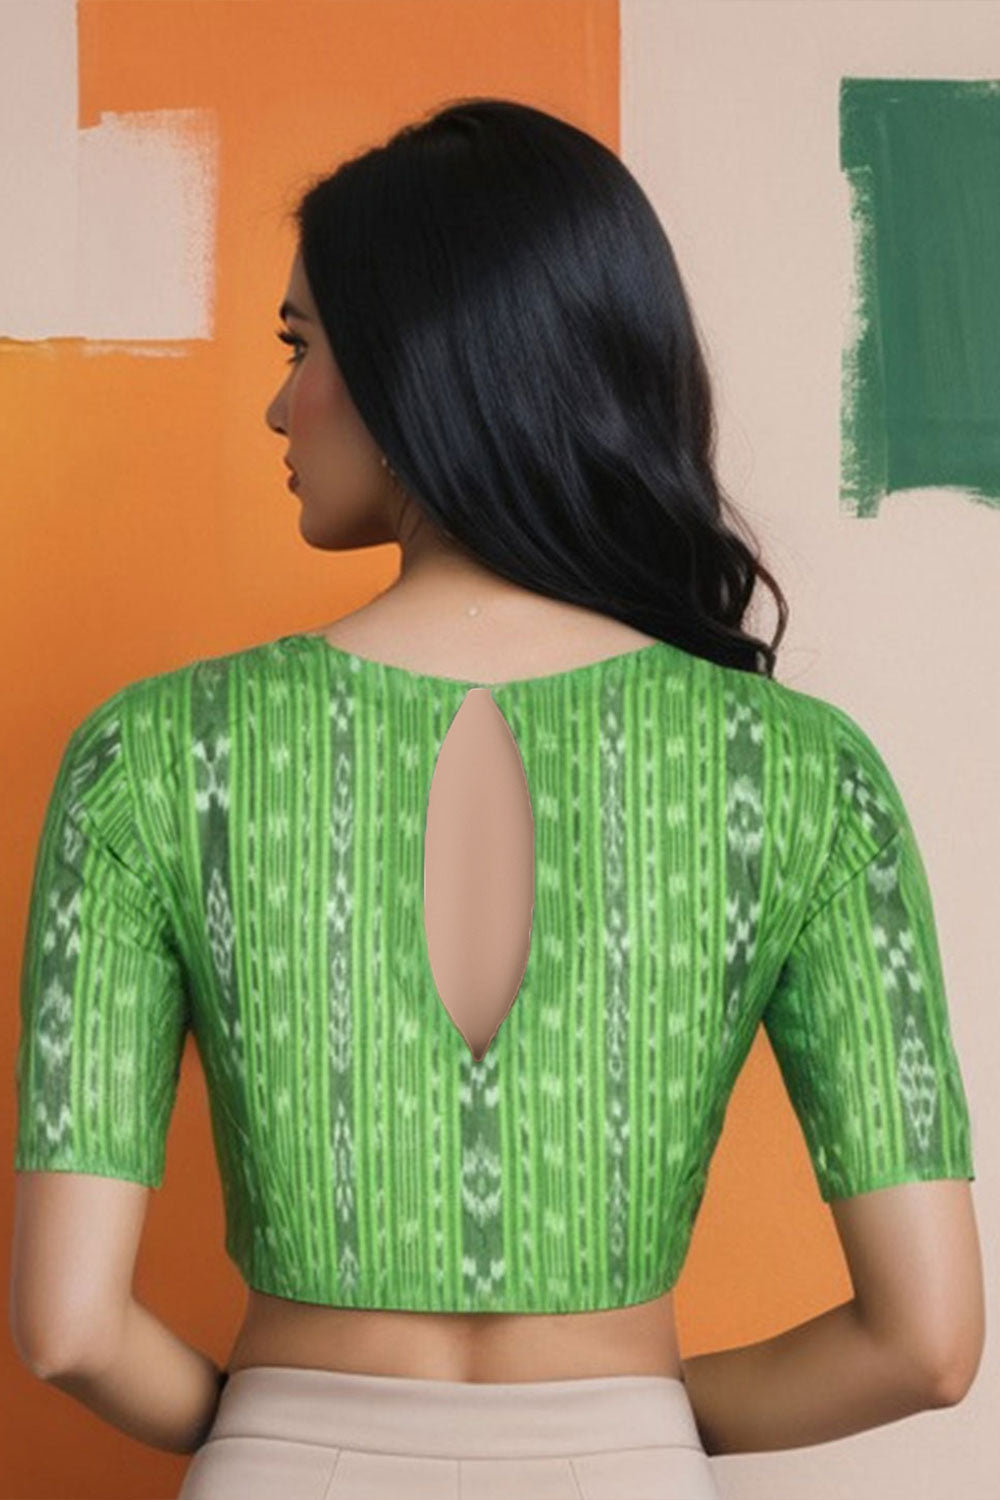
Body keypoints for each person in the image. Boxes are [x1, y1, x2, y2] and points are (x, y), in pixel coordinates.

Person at [11, 98, 982, 1500]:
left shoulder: (152, 754)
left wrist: (269, 1420)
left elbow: (68, 1328)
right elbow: (927, 1345)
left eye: (299, 347)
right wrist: (631, 1422)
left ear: (415, 363)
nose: (279, 404)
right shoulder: (806, 774)